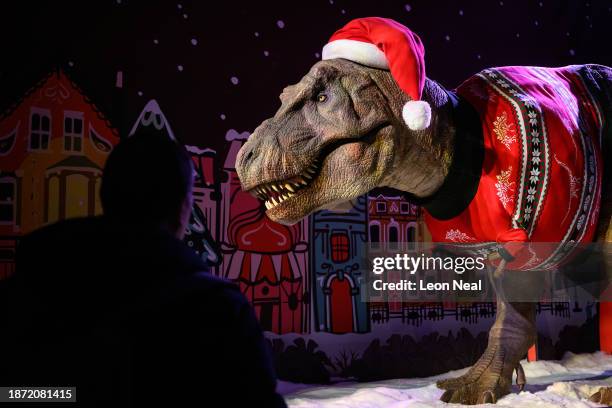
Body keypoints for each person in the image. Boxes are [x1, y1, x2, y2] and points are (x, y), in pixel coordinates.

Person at [0, 128, 287, 407]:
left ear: (106, 196)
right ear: (183, 207)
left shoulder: (28, 292)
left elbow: (15, 393)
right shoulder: (218, 311)